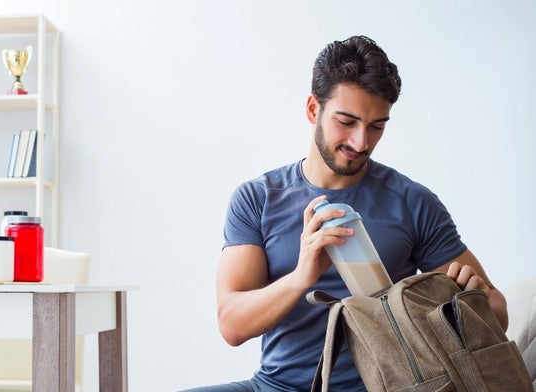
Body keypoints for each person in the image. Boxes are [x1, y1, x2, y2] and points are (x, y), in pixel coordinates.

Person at [181, 35, 508, 392]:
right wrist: (301, 276)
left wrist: (471, 302)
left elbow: (499, 313)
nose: (361, 142)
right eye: (347, 121)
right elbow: (232, 325)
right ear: (312, 110)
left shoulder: (413, 202)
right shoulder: (257, 199)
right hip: (274, 386)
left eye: (376, 126)